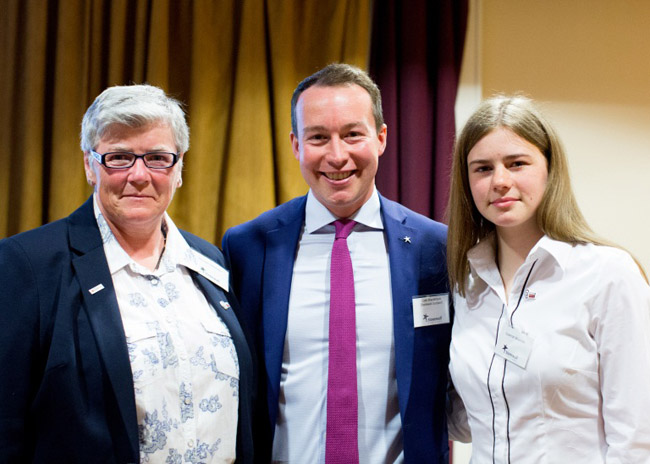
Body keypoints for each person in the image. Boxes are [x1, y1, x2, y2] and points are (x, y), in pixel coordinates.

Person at [0, 84, 254, 463]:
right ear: (90, 165)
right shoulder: (27, 264)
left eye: (157, 157)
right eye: (119, 157)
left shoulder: (210, 261)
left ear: (179, 166)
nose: (139, 175)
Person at [222, 63, 450, 463]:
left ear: (380, 137)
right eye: (318, 138)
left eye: (352, 134)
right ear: (296, 146)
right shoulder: (248, 247)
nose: (337, 155)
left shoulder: (433, 248)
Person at [446, 95, 650, 463]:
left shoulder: (609, 275)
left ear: (550, 169)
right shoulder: (465, 285)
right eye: (482, 168)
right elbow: (465, 420)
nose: (500, 181)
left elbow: (637, 438)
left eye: (517, 163)